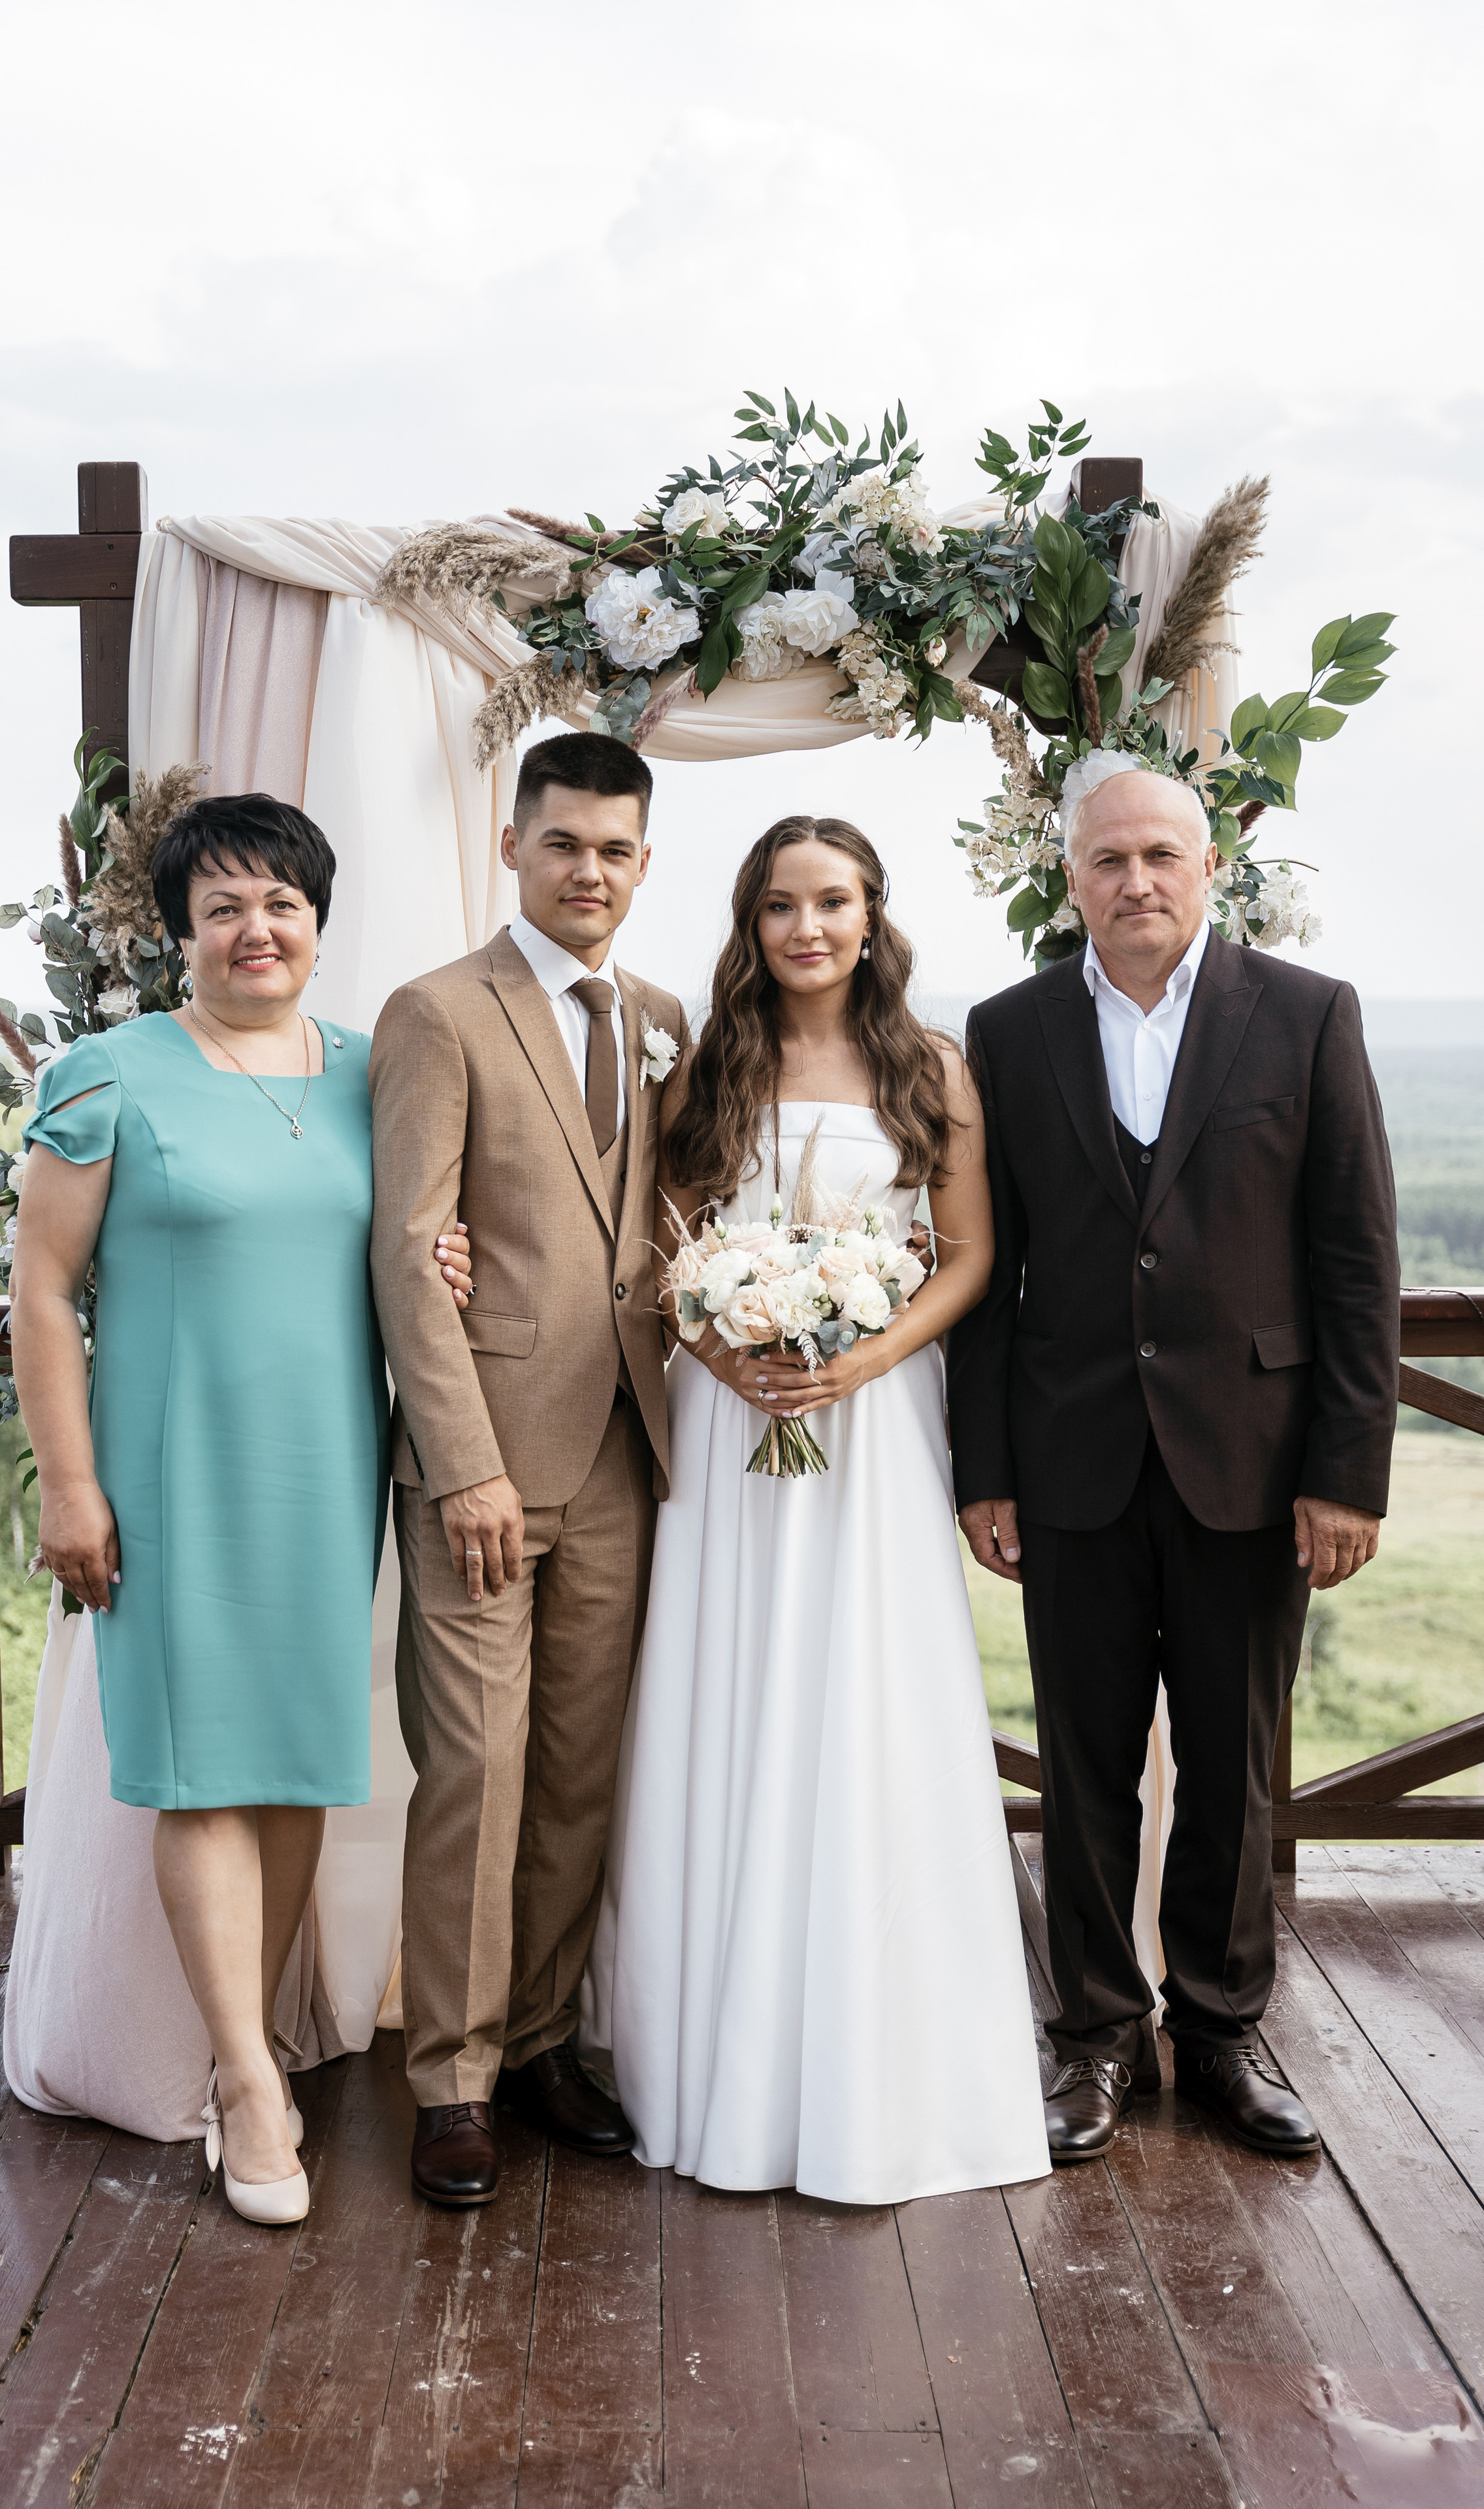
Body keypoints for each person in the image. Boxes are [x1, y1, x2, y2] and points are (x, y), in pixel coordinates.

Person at [583, 816, 1050, 2206]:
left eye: (831, 901)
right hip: (736, 1432)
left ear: (869, 911)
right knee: (730, 1695)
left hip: (875, 1419)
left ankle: (885, 2053)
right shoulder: (706, 1066)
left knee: (868, 1700)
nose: (806, 928)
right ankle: (707, 2049)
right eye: (780, 905)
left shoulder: (931, 1070)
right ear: (749, 920)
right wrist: (728, 1352)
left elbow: (966, 1259)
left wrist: (861, 1356)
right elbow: (663, 1251)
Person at [949, 753, 1400, 2164]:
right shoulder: (1007, 1031)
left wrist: (1347, 1468)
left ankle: (1216, 2028)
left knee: (1231, 1761)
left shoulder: (1306, 1015)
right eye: (1105, 860)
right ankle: (1088, 2036)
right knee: (1080, 1767)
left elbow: (1353, 1259)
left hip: (1254, 1463)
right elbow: (989, 1265)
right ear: (1067, 876)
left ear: (1209, 867)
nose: (1133, 881)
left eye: (1159, 856)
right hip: (1069, 1453)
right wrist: (983, 1465)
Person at [11, 792, 444, 2225]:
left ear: (317, 923)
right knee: (199, 1767)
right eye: (223, 909)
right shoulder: (107, 1073)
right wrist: (71, 1485)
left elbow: (411, 1247)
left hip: (328, 1468)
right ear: (181, 933)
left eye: (282, 905)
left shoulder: (377, 1073)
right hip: (166, 1467)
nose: (255, 931)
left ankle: (238, 2037)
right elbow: (42, 1291)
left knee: (302, 1763)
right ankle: (252, 2095)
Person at [368, 731, 689, 2207]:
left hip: (628, 1449)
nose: (589, 872)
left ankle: (549, 2041)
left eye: (616, 849)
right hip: (486, 1465)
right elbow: (406, 1251)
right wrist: (461, 1466)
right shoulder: (438, 1013)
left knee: (575, 1774)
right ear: (512, 847)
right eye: (563, 844)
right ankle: (450, 2078)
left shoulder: (662, 1015)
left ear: (642, 860)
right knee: (476, 1774)